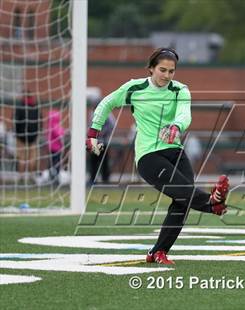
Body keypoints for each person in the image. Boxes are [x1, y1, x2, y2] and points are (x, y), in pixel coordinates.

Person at [86, 47, 229, 265]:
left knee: (182, 201)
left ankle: (158, 252)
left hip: (176, 153)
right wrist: (93, 133)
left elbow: (184, 114)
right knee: (184, 192)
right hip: (149, 156)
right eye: (162, 70)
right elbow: (107, 103)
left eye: (171, 71)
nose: (167, 75)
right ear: (151, 68)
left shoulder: (180, 90)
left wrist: (176, 125)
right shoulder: (135, 88)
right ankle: (212, 203)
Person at [14, 90, 40, 184]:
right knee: (32, 158)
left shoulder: (20, 107)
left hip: (21, 137)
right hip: (33, 137)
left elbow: (17, 122)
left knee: (22, 158)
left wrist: (17, 134)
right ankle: (31, 177)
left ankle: (21, 178)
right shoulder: (35, 107)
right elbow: (39, 121)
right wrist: (36, 134)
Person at [88, 113, 115, 184]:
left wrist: (103, 132)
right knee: (93, 161)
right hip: (94, 142)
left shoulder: (108, 115)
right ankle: (92, 178)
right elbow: (89, 125)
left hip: (103, 142)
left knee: (104, 161)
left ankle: (105, 179)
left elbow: (112, 125)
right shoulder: (93, 114)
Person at [46, 110, 65, 185]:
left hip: (52, 148)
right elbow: (59, 135)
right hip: (56, 148)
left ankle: (53, 176)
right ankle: (54, 177)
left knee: (53, 163)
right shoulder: (55, 126)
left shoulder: (51, 125)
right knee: (56, 163)